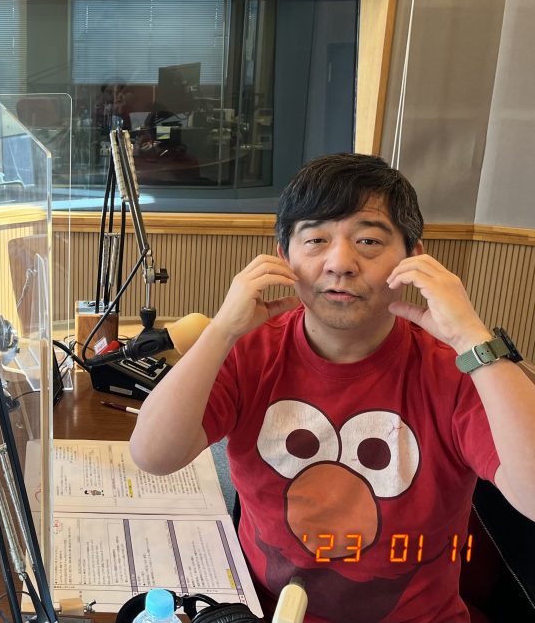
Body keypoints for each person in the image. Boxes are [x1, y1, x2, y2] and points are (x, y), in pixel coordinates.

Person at [130, 153, 535, 623]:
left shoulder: (456, 368)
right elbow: (153, 455)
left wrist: (472, 338)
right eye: (316, 240)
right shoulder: (249, 351)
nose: (340, 263)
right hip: (266, 611)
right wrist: (221, 330)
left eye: (368, 241)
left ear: (413, 259)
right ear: (284, 257)